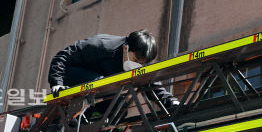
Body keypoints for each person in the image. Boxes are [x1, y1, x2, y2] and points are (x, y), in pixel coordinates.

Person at [48, 30, 179, 110]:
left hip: (100, 89)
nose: (136, 65)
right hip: (72, 76)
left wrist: (171, 101)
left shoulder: (140, 61)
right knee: (104, 84)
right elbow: (62, 57)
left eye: (141, 64)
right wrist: (57, 83)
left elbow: (152, 84)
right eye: (134, 60)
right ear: (126, 48)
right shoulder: (102, 45)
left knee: (119, 106)